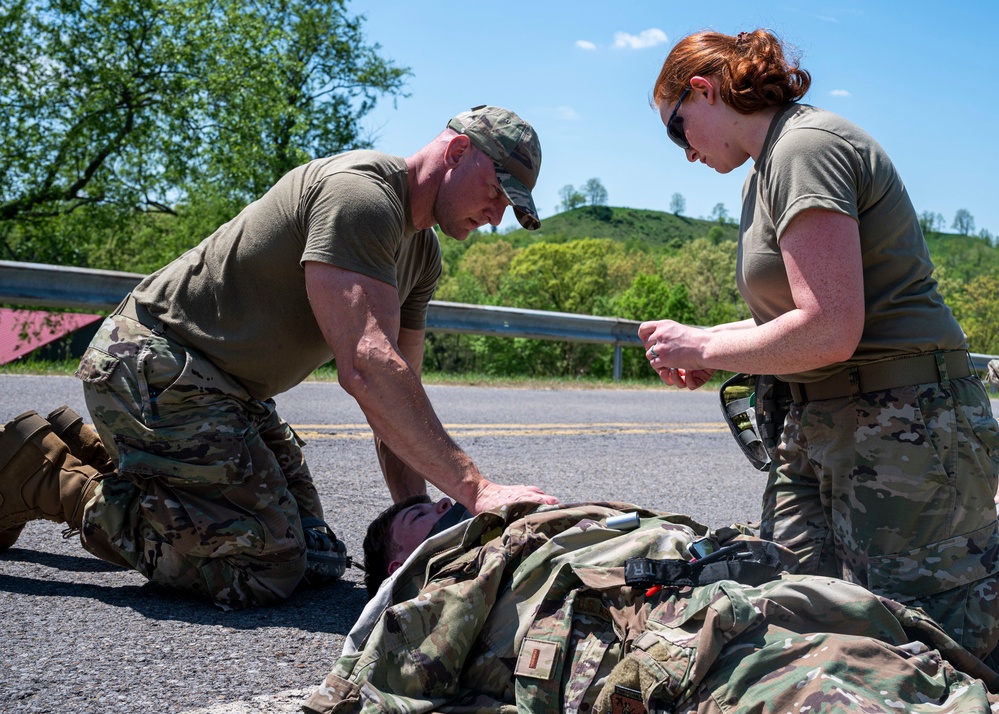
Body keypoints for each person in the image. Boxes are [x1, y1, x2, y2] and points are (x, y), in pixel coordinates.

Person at [0, 104, 558, 609]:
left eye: (511, 204)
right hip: (155, 366)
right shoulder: (361, 196)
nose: (497, 214)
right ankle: (50, 478)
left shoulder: (422, 254)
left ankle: (139, 463)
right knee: (264, 566)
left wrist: (413, 525)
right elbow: (366, 366)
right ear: (457, 151)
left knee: (316, 555)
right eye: (496, 189)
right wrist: (476, 490)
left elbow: (397, 390)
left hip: (228, 392)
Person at [640, 29, 999, 661]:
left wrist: (704, 348)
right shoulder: (761, 176)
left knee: (938, 639)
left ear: (704, 89)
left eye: (677, 128)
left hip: (902, 424)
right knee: (799, 624)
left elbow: (830, 327)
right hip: (814, 426)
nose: (685, 153)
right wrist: (701, 344)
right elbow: (795, 323)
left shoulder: (806, 147)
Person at [305, 499, 999, 713]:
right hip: (684, 655)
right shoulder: (443, 582)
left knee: (913, 672)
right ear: (399, 564)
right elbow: (388, 679)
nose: (447, 507)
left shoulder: (538, 518)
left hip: (755, 601)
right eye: (422, 514)